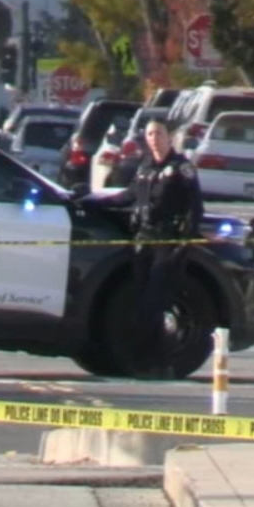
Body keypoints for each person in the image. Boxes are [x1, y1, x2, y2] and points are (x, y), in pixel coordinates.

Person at [84, 118, 204, 379]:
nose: (153, 138)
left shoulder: (181, 168)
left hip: (167, 243)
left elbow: (195, 209)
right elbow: (128, 196)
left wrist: (183, 244)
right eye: (149, 134)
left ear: (169, 137)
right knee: (139, 304)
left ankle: (161, 363)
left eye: (159, 133)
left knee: (154, 305)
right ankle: (144, 361)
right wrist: (91, 202)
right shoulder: (146, 167)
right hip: (143, 242)